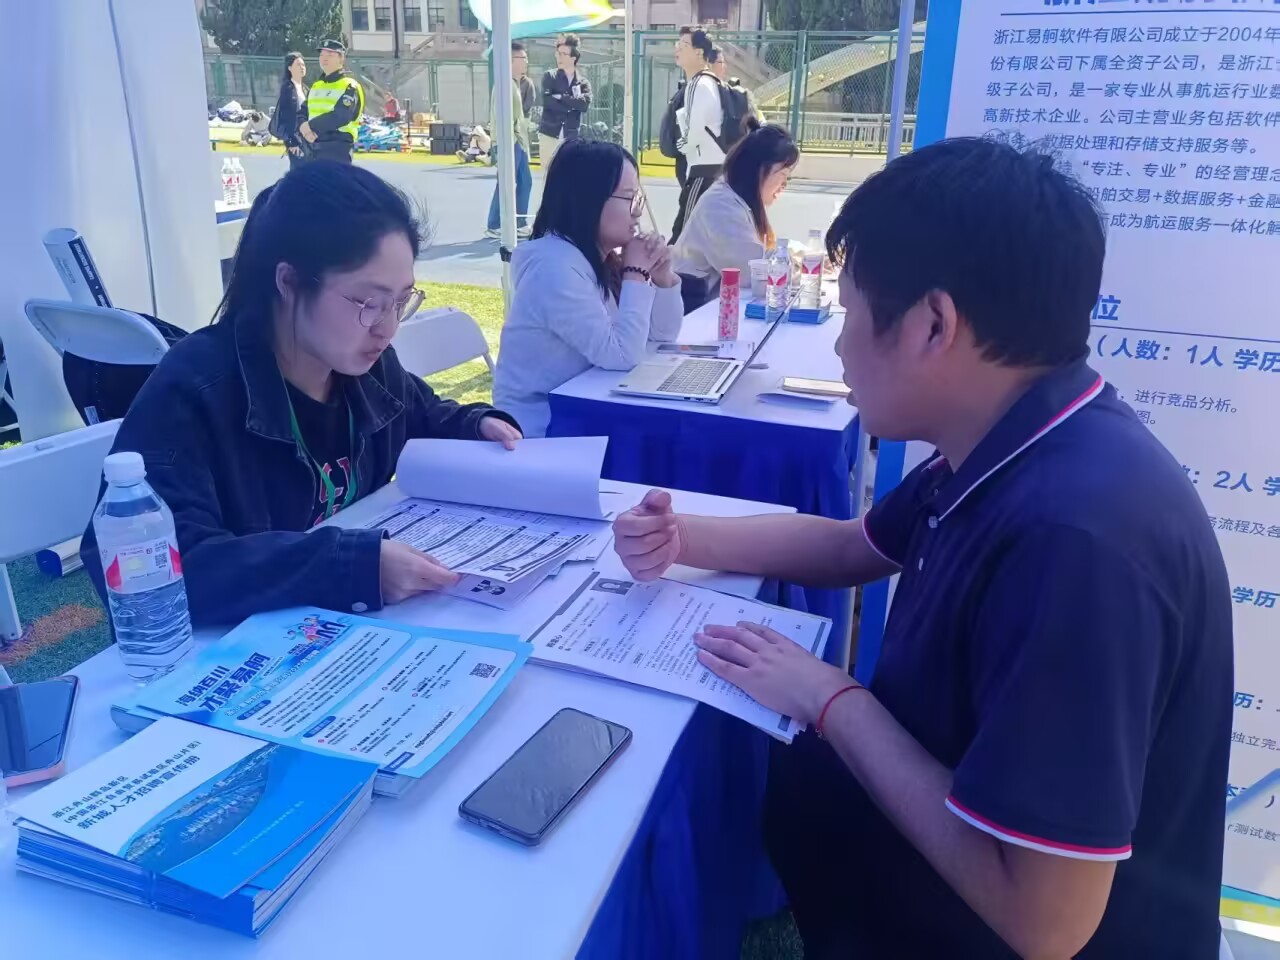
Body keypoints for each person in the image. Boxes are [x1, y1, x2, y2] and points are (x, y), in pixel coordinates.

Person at [612, 138, 1232, 959]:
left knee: (812, 769)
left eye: (851, 313)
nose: (840, 347)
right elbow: (851, 547)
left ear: (934, 325)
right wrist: (685, 537)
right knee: (810, 779)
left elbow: (1048, 923)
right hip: (965, 830)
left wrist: (831, 697)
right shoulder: (1017, 437)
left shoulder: (1075, 542)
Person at [80, 162, 523, 628]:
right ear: (289, 282)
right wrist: (344, 565)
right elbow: (154, 566)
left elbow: (424, 414)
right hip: (236, 649)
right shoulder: (194, 390)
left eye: (400, 301)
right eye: (368, 302)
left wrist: (476, 424)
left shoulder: (366, 367)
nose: (388, 327)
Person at [493, 140, 682, 438]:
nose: (638, 213)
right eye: (630, 198)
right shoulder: (554, 267)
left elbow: (663, 335)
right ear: (589, 200)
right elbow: (622, 355)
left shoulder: (592, 258)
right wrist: (635, 273)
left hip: (587, 405)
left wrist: (663, 278)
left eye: (639, 199)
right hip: (541, 427)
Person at [673, 121, 797, 311]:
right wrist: (798, 263)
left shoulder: (736, 201)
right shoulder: (720, 206)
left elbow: (763, 252)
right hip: (693, 313)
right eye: (783, 175)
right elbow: (752, 271)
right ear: (758, 170)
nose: (784, 185)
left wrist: (797, 255)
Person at [670, 27, 724, 241]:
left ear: (699, 52)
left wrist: (679, 147)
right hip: (717, 170)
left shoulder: (697, 84)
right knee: (707, 237)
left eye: (683, 45)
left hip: (703, 172)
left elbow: (694, 133)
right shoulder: (711, 82)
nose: (677, 50)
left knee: (682, 236)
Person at [486, 41, 533, 240]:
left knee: (525, 181)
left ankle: (519, 222)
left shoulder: (514, 84)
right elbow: (502, 116)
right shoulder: (504, 85)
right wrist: (509, 140)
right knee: (506, 183)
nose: (526, 62)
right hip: (509, 142)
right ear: (512, 60)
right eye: (523, 58)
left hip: (517, 142)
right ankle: (494, 224)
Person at [300, 39, 365, 164]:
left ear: (341, 59)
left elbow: (341, 116)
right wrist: (304, 128)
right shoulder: (317, 86)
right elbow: (303, 111)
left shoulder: (349, 86)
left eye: (330, 54)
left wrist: (311, 126)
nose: (324, 58)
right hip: (312, 147)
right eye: (322, 54)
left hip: (337, 148)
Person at [538, 33, 592, 171]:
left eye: (564, 54)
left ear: (574, 57)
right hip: (549, 134)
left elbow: (584, 105)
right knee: (548, 174)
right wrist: (573, 104)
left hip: (571, 137)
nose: (559, 57)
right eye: (558, 53)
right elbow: (549, 103)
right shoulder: (550, 77)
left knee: (569, 174)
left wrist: (562, 97)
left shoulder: (583, 82)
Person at [271, 51, 308, 169]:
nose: (302, 67)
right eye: (298, 64)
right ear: (289, 68)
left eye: (303, 65)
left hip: (305, 137)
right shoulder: (288, 88)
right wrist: (292, 141)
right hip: (295, 139)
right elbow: (287, 116)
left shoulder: (305, 89)